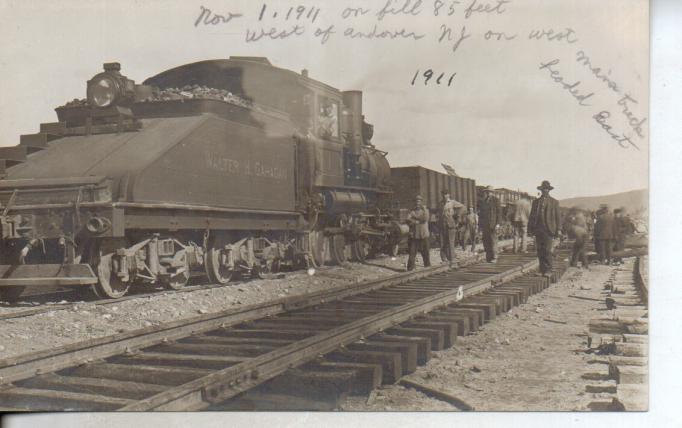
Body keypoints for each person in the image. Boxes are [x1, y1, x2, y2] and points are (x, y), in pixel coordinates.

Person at [528, 180, 561, 276]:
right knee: (540, 250)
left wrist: (558, 229)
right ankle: (541, 270)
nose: (545, 190)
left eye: (546, 189)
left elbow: (557, 216)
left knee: (547, 250)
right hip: (538, 229)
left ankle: (549, 270)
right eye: (543, 189)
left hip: (549, 229)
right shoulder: (536, 202)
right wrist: (530, 229)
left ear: (549, 190)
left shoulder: (554, 202)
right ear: (541, 190)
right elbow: (532, 216)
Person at [438, 189, 462, 266]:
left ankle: (452, 260)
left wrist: (457, 216)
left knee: (450, 243)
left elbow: (462, 207)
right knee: (442, 243)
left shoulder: (452, 202)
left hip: (450, 225)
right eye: (443, 194)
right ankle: (444, 260)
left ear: (449, 195)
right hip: (442, 225)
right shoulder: (440, 203)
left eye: (446, 194)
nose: (444, 196)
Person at [406, 195, 431, 271]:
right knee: (412, 253)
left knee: (426, 252)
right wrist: (415, 221)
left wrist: (414, 220)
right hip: (415, 235)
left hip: (424, 234)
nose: (417, 203)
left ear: (421, 202)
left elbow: (425, 219)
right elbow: (407, 220)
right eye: (416, 201)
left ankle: (427, 267)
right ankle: (410, 269)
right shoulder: (412, 211)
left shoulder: (425, 210)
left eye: (419, 201)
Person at [478, 186, 501, 263]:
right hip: (485, 225)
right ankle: (488, 258)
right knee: (486, 241)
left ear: (492, 192)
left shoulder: (496, 200)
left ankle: (495, 257)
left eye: (490, 192)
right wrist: (480, 226)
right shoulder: (483, 201)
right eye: (487, 192)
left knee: (493, 241)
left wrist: (498, 224)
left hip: (493, 224)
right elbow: (481, 215)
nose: (488, 193)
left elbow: (499, 213)